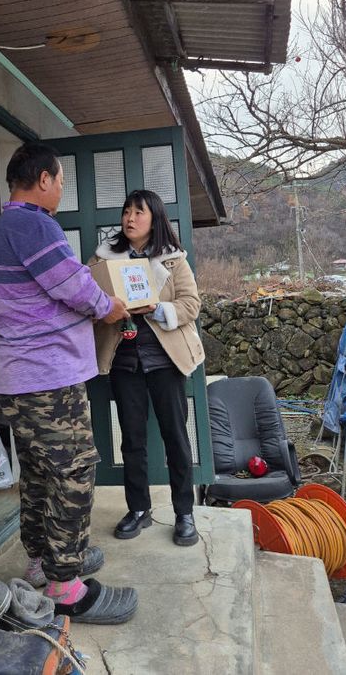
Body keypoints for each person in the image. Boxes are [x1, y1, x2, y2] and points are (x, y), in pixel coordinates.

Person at [0, 142, 138, 624]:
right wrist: (110, 306)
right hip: (45, 378)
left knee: (39, 473)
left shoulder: (3, 227)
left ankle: (41, 560)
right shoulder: (33, 223)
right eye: (61, 181)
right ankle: (65, 583)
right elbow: (74, 286)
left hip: (21, 377)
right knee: (74, 470)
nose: (62, 190)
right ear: (44, 179)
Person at [90, 189, 205, 545]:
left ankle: (184, 512)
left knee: (176, 437)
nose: (130, 218)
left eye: (139, 212)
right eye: (126, 211)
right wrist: (108, 308)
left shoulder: (173, 260)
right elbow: (89, 303)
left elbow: (191, 304)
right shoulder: (103, 260)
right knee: (132, 439)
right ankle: (138, 509)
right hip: (124, 361)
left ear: (154, 219)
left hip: (165, 362)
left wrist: (155, 308)